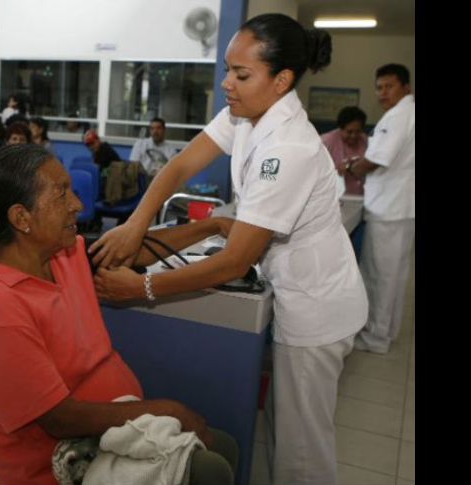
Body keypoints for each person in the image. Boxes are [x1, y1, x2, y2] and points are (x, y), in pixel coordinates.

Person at [90, 13, 368, 485]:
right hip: (296, 292)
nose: (227, 84)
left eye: (241, 74)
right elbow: (179, 165)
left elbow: (237, 258)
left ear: (281, 81)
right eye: (227, 70)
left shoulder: (290, 147)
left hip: (317, 305)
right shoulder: (245, 114)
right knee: (286, 432)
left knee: (302, 453)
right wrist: (137, 224)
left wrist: (143, 286)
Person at [0, 144, 239, 485]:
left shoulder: (60, 255)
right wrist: (168, 410)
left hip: (107, 434)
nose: (77, 204)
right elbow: (61, 420)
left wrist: (212, 226)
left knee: (225, 447)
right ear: (21, 217)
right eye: (62, 194)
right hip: (59, 462)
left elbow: (133, 250)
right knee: (212, 471)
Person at [343, 64, 415, 355]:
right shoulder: (406, 113)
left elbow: (376, 160)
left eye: (389, 87)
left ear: (405, 88)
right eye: (379, 87)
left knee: (380, 276)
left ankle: (376, 337)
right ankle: (385, 332)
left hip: (390, 209)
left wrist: (350, 167)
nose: (383, 93)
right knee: (393, 276)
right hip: (399, 207)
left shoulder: (398, 117)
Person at [321, 106, 368, 195]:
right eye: (349, 132)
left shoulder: (365, 141)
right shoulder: (326, 142)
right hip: (334, 195)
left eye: (358, 131)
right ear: (341, 128)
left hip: (359, 195)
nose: (353, 136)